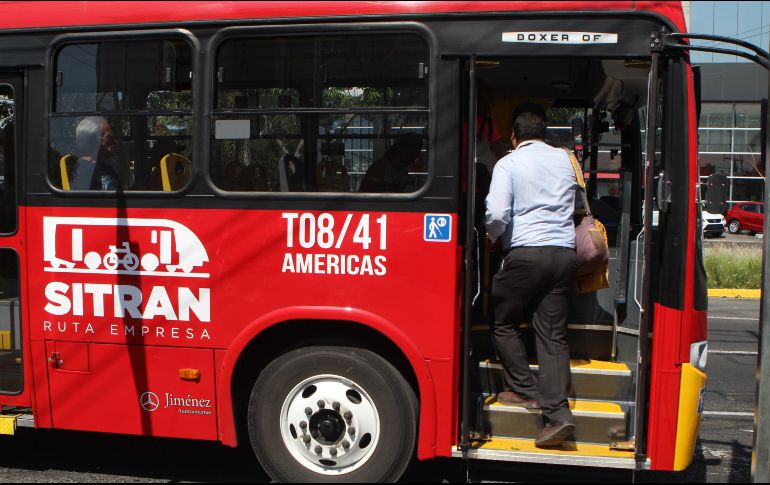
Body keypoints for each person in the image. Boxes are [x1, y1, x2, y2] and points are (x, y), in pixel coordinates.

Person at [484, 103, 578, 448]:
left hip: (525, 254)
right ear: (545, 133)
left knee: (503, 321)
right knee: (552, 336)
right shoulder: (565, 160)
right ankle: (558, 416)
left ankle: (525, 390)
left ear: (514, 136)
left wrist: (491, 237)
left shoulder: (509, 163)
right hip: (564, 254)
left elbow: (497, 213)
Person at [70, 116, 121, 190]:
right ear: (93, 140)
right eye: (110, 137)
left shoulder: (107, 168)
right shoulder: (82, 173)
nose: (115, 142)